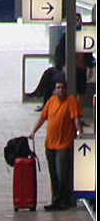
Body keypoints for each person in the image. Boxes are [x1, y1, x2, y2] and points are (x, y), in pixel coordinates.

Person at [29, 78, 83, 210]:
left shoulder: (71, 101)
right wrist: (33, 132)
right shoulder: (51, 102)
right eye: (58, 88)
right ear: (54, 90)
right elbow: (42, 117)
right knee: (53, 173)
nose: (60, 90)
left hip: (64, 145)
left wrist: (79, 132)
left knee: (62, 173)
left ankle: (64, 199)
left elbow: (76, 118)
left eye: (63, 88)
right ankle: (56, 199)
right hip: (50, 144)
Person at [54, 14, 95, 112]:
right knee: (70, 91)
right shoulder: (67, 36)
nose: (78, 22)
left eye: (79, 20)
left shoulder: (84, 36)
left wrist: (90, 67)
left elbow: (88, 53)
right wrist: (63, 65)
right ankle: (70, 113)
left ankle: (76, 113)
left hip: (81, 67)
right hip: (71, 68)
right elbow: (59, 53)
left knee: (82, 92)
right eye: (76, 20)